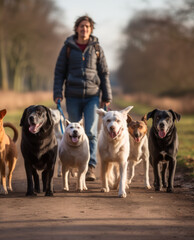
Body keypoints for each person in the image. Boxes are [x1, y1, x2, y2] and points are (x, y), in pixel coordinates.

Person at [53, 15, 112, 181]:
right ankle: (72, 163)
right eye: (81, 26)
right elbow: (59, 72)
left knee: (91, 132)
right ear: (76, 28)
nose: (84, 29)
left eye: (87, 26)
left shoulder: (97, 48)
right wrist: (58, 93)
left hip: (93, 97)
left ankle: (90, 167)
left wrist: (106, 96)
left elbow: (104, 73)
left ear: (91, 29)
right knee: (73, 132)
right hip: (72, 96)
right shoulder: (67, 48)